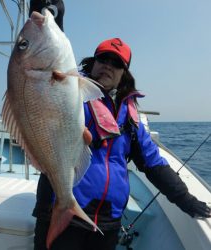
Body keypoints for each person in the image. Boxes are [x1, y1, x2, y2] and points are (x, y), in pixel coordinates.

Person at [30, 2, 211, 250]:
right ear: (92, 63)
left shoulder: (129, 114)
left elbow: (153, 163)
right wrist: (50, 17)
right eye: (103, 59)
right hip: (62, 213)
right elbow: (51, 63)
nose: (107, 65)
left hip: (108, 222)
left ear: (124, 72)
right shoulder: (71, 90)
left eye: (116, 63)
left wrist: (186, 200)